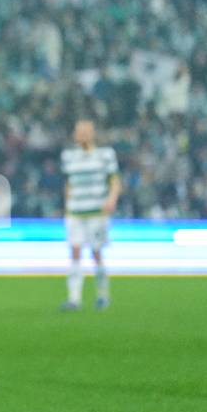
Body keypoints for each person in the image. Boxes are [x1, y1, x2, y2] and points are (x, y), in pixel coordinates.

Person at [60, 120, 120, 311]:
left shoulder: (105, 155)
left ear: (93, 133)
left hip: (96, 212)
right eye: (79, 131)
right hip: (75, 212)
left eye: (86, 131)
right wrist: (67, 204)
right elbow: (68, 182)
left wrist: (111, 199)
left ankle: (102, 295)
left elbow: (115, 180)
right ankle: (74, 298)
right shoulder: (69, 156)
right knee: (75, 251)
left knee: (96, 252)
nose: (82, 134)